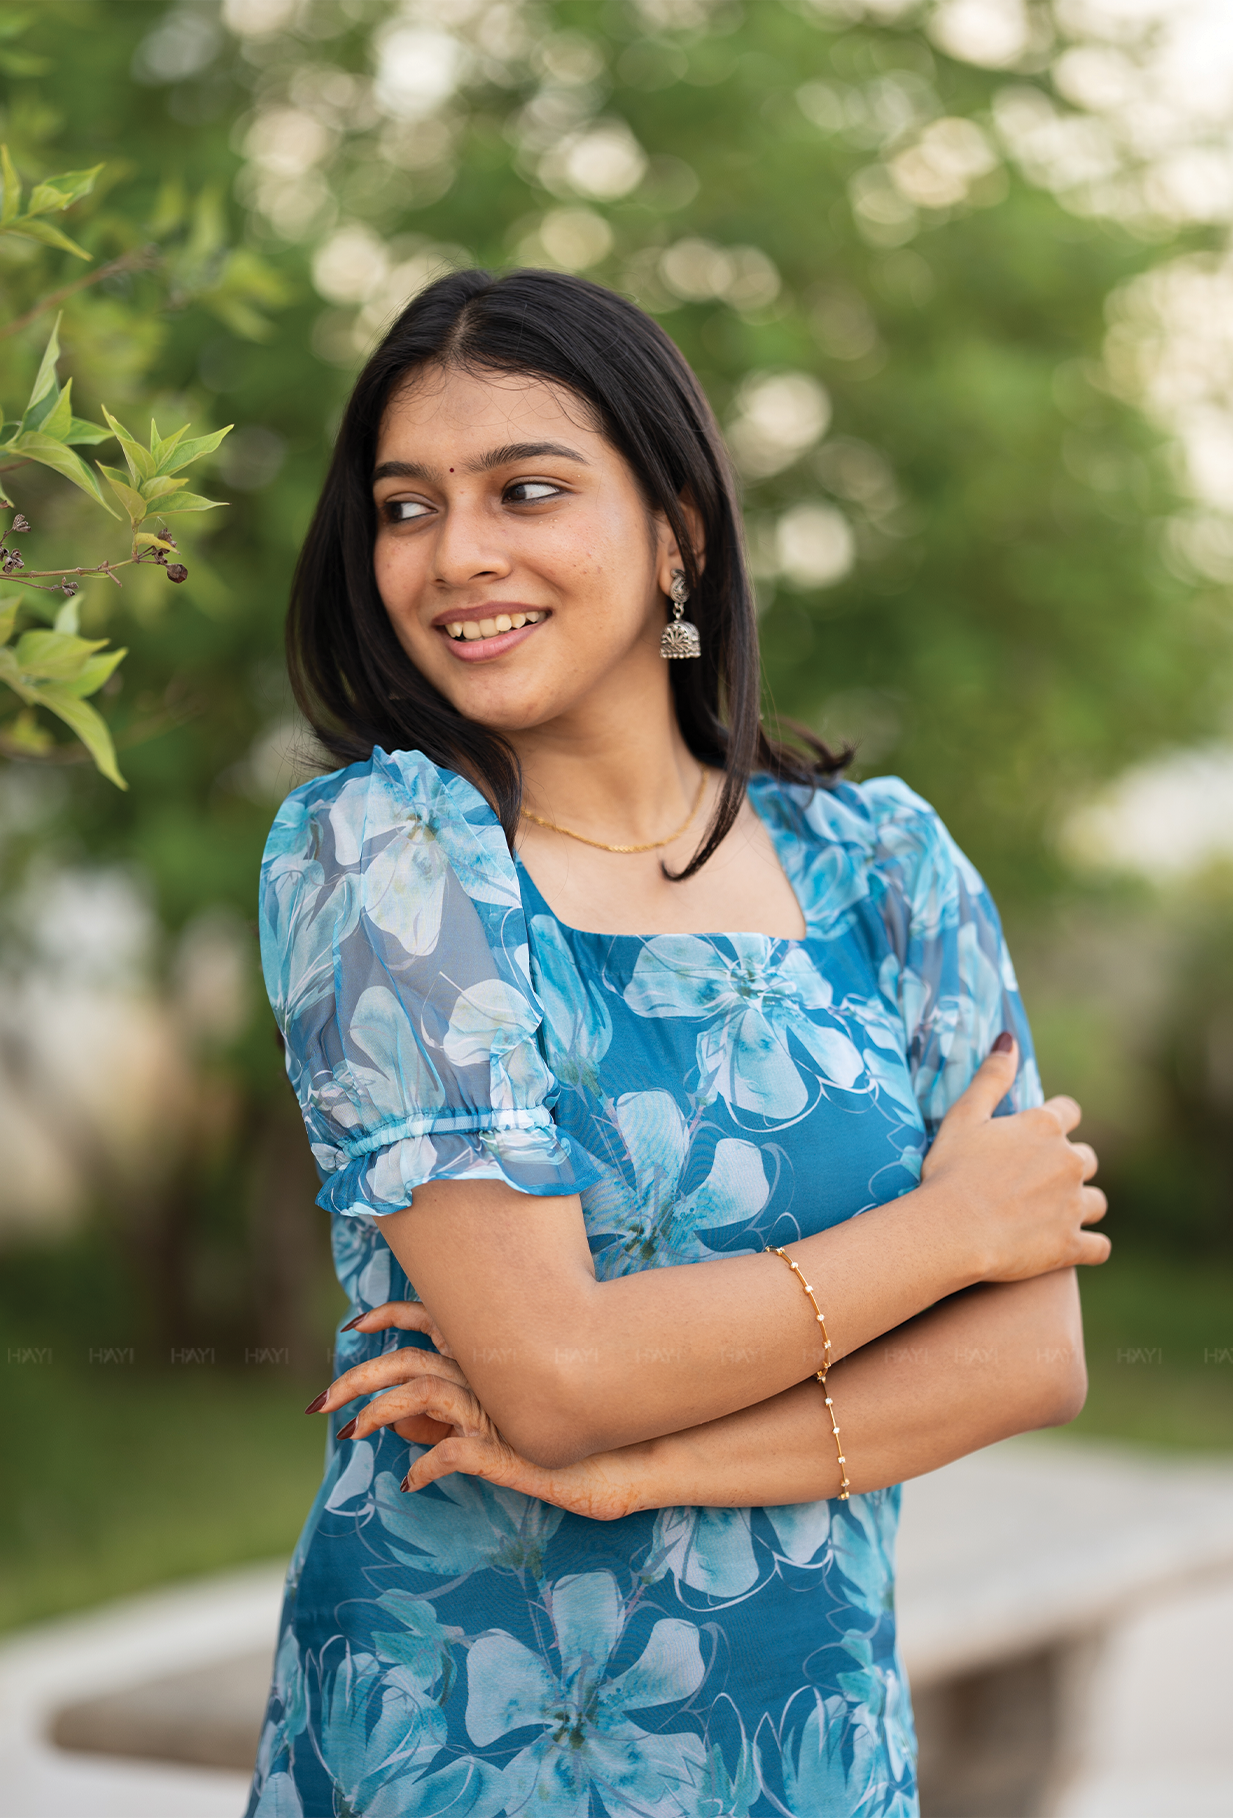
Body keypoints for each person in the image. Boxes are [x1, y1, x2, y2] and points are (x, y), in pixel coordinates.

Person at [249, 268, 1108, 1818]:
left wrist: (638, 1471)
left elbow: (1027, 1357)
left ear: (678, 533)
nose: (457, 553)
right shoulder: (389, 857)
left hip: (811, 1745)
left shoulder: (888, 870)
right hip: (467, 1745)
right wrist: (949, 1230)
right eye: (405, 506)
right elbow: (557, 1369)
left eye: (526, 489)